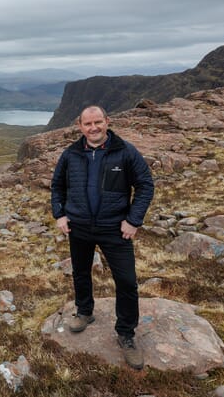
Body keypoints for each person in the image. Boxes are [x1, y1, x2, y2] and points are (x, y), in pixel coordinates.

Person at [50, 105, 154, 370]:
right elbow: (57, 186)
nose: (93, 128)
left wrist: (133, 220)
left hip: (114, 229)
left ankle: (127, 334)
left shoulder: (125, 151)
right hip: (79, 227)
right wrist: (59, 215)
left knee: (127, 281)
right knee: (81, 273)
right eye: (88, 124)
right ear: (80, 126)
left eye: (98, 122)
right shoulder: (71, 154)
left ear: (107, 122)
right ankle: (84, 312)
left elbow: (144, 185)